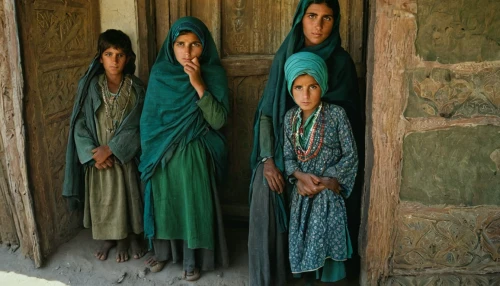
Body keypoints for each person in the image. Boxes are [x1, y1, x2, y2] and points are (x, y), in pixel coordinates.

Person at [248, 0, 364, 285]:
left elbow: (351, 128)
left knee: (327, 198)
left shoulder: (342, 62)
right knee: (266, 187)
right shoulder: (287, 55)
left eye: (327, 18)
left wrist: (327, 177)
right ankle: (273, 274)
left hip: (331, 159)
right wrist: (270, 161)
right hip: (285, 150)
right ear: (301, 17)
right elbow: (267, 113)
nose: (318, 25)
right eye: (312, 16)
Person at [139, 17, 229, 281]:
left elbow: (219, 120)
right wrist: (155, 150)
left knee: (192, 203)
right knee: (164, 202)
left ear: (205, 47)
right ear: (171, 46)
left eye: (194, 44)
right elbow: (150, 119)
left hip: (194, 150)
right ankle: (164, 252)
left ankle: (192, 259)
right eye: (180, 44)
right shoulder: (160, 73)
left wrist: (199, 83)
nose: (187, 52)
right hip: (161, 153)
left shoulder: (213, 73)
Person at [63, 29, 146, 262]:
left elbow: (140, 125)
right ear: (100, 58)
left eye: (120, 54)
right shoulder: (91, 88)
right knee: (105, 200)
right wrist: (93, 154)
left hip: (125, 158)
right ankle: (110, 238)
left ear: (128, 58)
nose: (114, 60)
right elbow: (79, 123)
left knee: (128, 198)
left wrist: (111, 149)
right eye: (108, 54)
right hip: (99, 160)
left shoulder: (137, 88)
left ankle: (127, 238)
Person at [284, 51, 357, 283]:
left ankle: (330, 278)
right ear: (290, 88)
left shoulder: (336, 115)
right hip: (302, 192)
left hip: (328, 191)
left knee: (324, 231)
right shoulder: (289, 119)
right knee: (304, 235)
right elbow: (287, 156)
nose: (305, 94)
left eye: (312, 87)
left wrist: (327, 181)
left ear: (322, 85)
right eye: (298, 87)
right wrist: (299, 176)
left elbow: (351, 154)